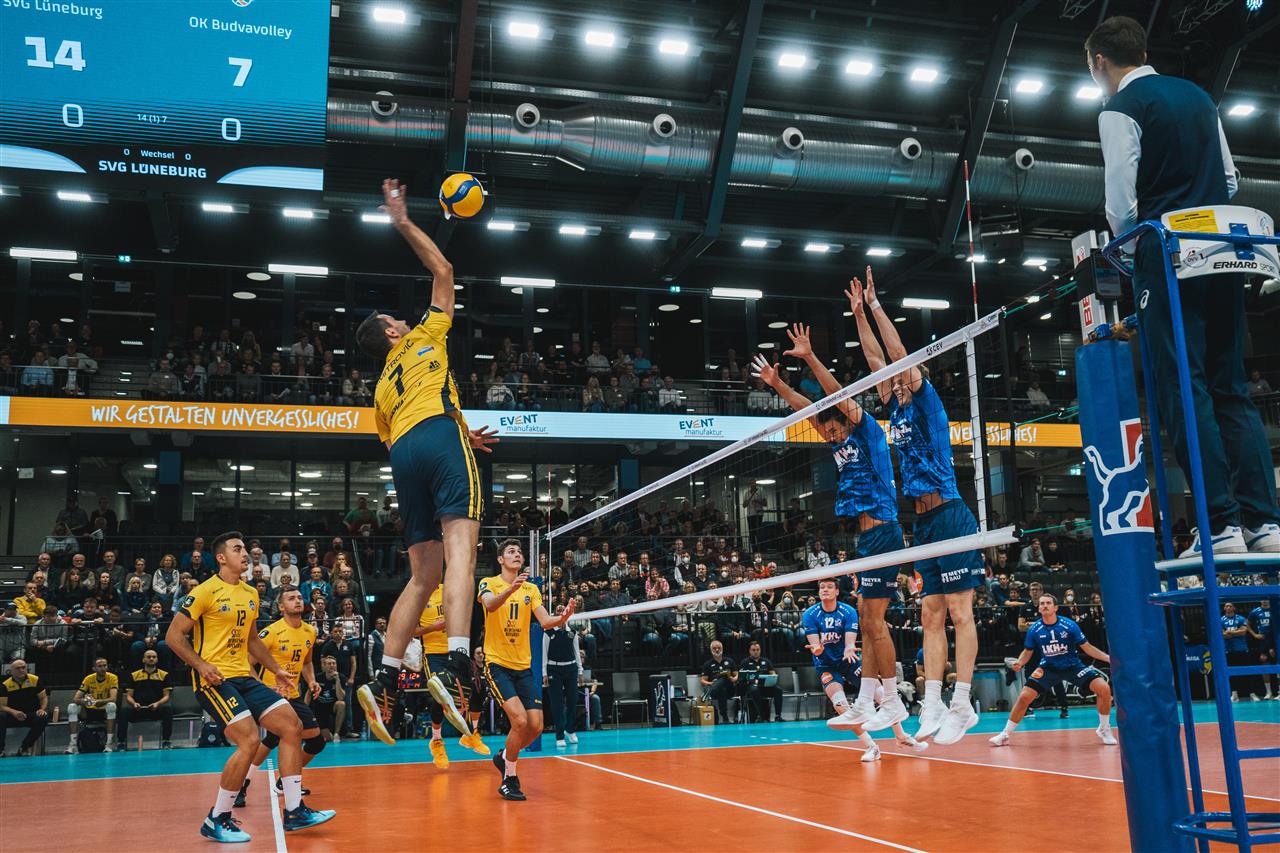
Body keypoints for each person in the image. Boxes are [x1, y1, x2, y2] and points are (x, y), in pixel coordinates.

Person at [1087, 15, 1279, 558]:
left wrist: (1134, 251)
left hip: (1167, 252)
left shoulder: (1119, 107)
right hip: (1223, 246)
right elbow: (1230, 178)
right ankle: (1264, 523)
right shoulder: (1199, 97)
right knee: (1230, 386)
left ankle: (1220, 528)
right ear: (1142, 50)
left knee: (1182, 389)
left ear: (1098, 62)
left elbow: (1120, 205)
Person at [355, 178, 500, 747]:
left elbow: (400, 440)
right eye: (393, 317)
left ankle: (387, 677)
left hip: (406, 453)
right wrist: (402, 221)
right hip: (438, 437)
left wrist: (458, 431)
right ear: (393, 332)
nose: (399, 317)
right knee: (463, 555)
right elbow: (444, 269)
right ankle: (457, 666)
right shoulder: (423, 336)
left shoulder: (378, 391)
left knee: (423, 575)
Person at [849, 268, 983, 745]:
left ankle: (963, 704)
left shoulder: (927, 404)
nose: (896, 383)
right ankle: (933, 702)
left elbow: (898, 356)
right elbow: (875, 361)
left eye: (902, 378)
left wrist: (876, 305)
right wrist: (858, 314)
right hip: (922, 524)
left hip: (951, 515)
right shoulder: (896, 407)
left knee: (960, 612)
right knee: (930, 615)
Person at [755, 321, 909, 733]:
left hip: (885, 533)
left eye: (834, 427)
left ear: (846, 420)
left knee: (875, 623)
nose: (830, 434)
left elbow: (837, 395)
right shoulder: (837, 439)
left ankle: (892, 700)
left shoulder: (868, 432)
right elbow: (808, 410)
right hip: (868, 538)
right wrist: (777, 384)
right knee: (869, 621)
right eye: (827, 430)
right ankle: (871, 701)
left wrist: (810, 357)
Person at [166, 531, 334, 841]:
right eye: (237, 549)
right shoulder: (204, 592)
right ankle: (217, 818)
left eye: (245, 548)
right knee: (249, 739)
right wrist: (201, 665)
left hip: (244, 676)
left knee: (292, 726)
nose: (245, 553)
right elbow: (173, 636)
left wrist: (276, 669)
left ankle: (294, 811)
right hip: (214, 680)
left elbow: (253, 640)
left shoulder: (251, 593)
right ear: (221, 557)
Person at [478, 539, 576, 801]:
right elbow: (490, 604)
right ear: (500, 559)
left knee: (535, 727)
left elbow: (544, 620)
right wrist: (511, 589)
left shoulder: (531, 589)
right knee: (520, 721)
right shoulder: (489, 583)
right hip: (497, 664)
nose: (517, 554)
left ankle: (504, 756)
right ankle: (509, 778)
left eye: (519, 552)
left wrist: (563, 618)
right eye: (511, 551)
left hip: (522, 666)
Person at [803, 579, 924, 761]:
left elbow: (850, 641)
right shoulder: (810, 614)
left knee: (880, 693)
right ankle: (871, 746)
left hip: (849, 660)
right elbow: (815, 645)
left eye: (829, 587)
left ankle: (901, 736)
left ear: (837, 591)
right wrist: (817, 649)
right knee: (841, 706)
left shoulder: (848, 611)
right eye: (822, 587)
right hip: (826, 665)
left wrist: (849, 647)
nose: (825, 590)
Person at [233, 588, 325, 808]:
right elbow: (247, 663)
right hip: (270, 696)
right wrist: (261, 688)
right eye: (291, 598)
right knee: (287, 737)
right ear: (281, 607)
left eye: (299, 597)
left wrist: (311, 680)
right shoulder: (271, 632)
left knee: (312, 741)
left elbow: (306, 662)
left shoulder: (310, 631)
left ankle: (282, 781)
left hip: (293, 695)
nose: (297, 601)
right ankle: (250, 784)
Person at [990, 594, 1116, 746]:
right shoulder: (1034, 629)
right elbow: (1028, 651)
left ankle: (1104, 729)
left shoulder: (1069, 625)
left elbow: (1087, 648)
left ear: (1055, 607)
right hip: (1048, 668)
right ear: (1039, 608)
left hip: (1073, 666)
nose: (1044, 605)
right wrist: (1020, 662)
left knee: (1103, 688)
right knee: (1024, 697)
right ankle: (1005, 734)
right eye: (1042, 603)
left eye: (1048, 603)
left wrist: (1109, 658)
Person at [412, 586, 488, 769]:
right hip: (433, 655)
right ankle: (436, 741)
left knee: (478, 689)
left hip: (457, 650)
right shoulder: (418, 595)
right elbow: (410, 631)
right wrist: (434, 627)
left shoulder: (449, 590)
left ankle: (471, 734)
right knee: (440, 695)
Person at [117, 648, 174, 750]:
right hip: (138, 709)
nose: (151, 659)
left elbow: (166, 696)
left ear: (157, 659)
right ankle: (121, 742)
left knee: (167, 709)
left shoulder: (164, 675)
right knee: (124, 711)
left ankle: (166, 741)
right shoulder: (134, 675)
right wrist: (134, 704)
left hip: (155, 709)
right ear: (143, 660)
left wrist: (157, 703)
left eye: (154, 657)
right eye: (149, 657)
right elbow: (129, 696)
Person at [542, 606, 583, 747]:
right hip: (554, 669)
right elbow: (544, 653)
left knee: (573, 700)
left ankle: (570, 729)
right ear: (554, 615)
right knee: (557, 703)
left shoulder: (572, 632)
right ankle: (559, 735)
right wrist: (544, 673)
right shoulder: (548, 632)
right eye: (558, 611)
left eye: (563, 610)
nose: (561, 612)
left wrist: (580, 671)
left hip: (571, 668)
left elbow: (577, 652)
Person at [66, 657, 118, 753]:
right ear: (94, 668)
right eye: (99, 666)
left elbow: (113, 698)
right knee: (71, 707)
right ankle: (73, 745)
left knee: (112, 705)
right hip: (89, 710)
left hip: (104, 710)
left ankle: (109, 744)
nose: (103, 668)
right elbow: (75, 699)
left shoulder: (112, 677)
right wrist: (84, 701)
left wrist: (99, 701)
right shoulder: (88, 679)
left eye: (105, 666)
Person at [0, 659, 49, 757]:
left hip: (31, 714)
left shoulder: (35, 680)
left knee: (43, 718)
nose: (21, 670)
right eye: (18, 668)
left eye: (23, 667)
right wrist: (14, 712)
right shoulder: (5, 685)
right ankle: (1, 750)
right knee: (0, 717)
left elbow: (43, 698)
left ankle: (24, 747)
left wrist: (42, 709)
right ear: (12, 671)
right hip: (13, 716)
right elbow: (1, 706)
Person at [737, 641, 782, 723]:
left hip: (765, 685)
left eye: (757, 649)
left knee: (778, 689)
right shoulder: (745, 662)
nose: (756, 652)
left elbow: (772, 673)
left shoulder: (766, 661)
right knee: (754, 689)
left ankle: (778, 716)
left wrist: (773, 676)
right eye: (753, 650)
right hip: (752, 686)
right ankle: (761, 715)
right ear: (750, 651)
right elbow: (742, 677)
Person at [1221, 603, 1257, 702]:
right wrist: (1236, 632)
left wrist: (1229, 632)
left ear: (1234, 608)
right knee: (1231, 673)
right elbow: (1222, 634)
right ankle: (1234, 695)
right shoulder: (1221, 620)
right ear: (1224, 608)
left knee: (1247, 672)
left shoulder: (1240, 618)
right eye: (1226, 606)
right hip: (1229, 650)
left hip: (1242, 649)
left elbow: (1243, 632)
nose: (1228, 607)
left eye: (1230, 606)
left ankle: (1252, 694)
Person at [699, 640, 738, 724]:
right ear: (711, 650)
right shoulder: (708, 664)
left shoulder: (730, 661)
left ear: (722, 649)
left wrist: (733, 678)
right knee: (722, 689)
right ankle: (725, 718)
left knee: (724, 676)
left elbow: (737, 675)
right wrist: (711, 683)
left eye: (719, 648)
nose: (717, 650)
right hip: (717, 691)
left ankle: (709, 692)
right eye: (714, 648)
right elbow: (702, 680)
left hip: (730, 688)